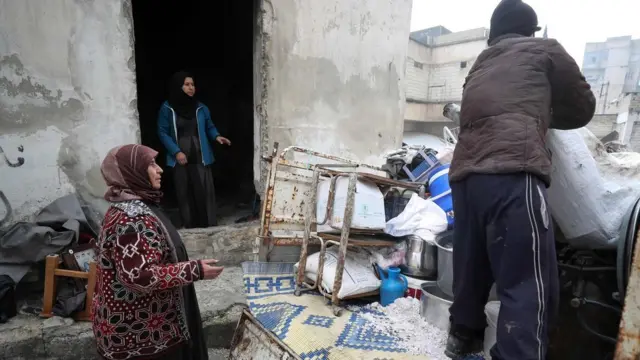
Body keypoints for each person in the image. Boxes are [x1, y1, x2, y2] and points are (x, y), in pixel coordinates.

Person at [444, 1, 596, 359]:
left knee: (471, 265)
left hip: (465, 179)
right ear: (531, 30)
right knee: (529, 283)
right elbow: (584, 106)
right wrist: (543, 112)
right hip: (513, 171)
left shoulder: (482, 63)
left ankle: (461, 337)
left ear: (494, 34)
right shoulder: (545, 49)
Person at [93, 144, 225, 360]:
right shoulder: (131, 219)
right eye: (151, 164)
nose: (160, 169)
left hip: (143, 327)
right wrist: (193, 270)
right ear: (131, 171)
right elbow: (138, 277)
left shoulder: (130, 207)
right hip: (139, 333)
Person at [157, 71, 231, 228]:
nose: (191, 88)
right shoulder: (167, 108)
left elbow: (209, 126)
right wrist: (176, 152)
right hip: (180, 154)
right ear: (179, 87)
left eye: (192, 84)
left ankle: (207, 223)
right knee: (184, 188)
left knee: (204, 187)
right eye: (187, 84)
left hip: (200, 152)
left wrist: (217, 136)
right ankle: (189, 224)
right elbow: (162, 132)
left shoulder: (201, 107)